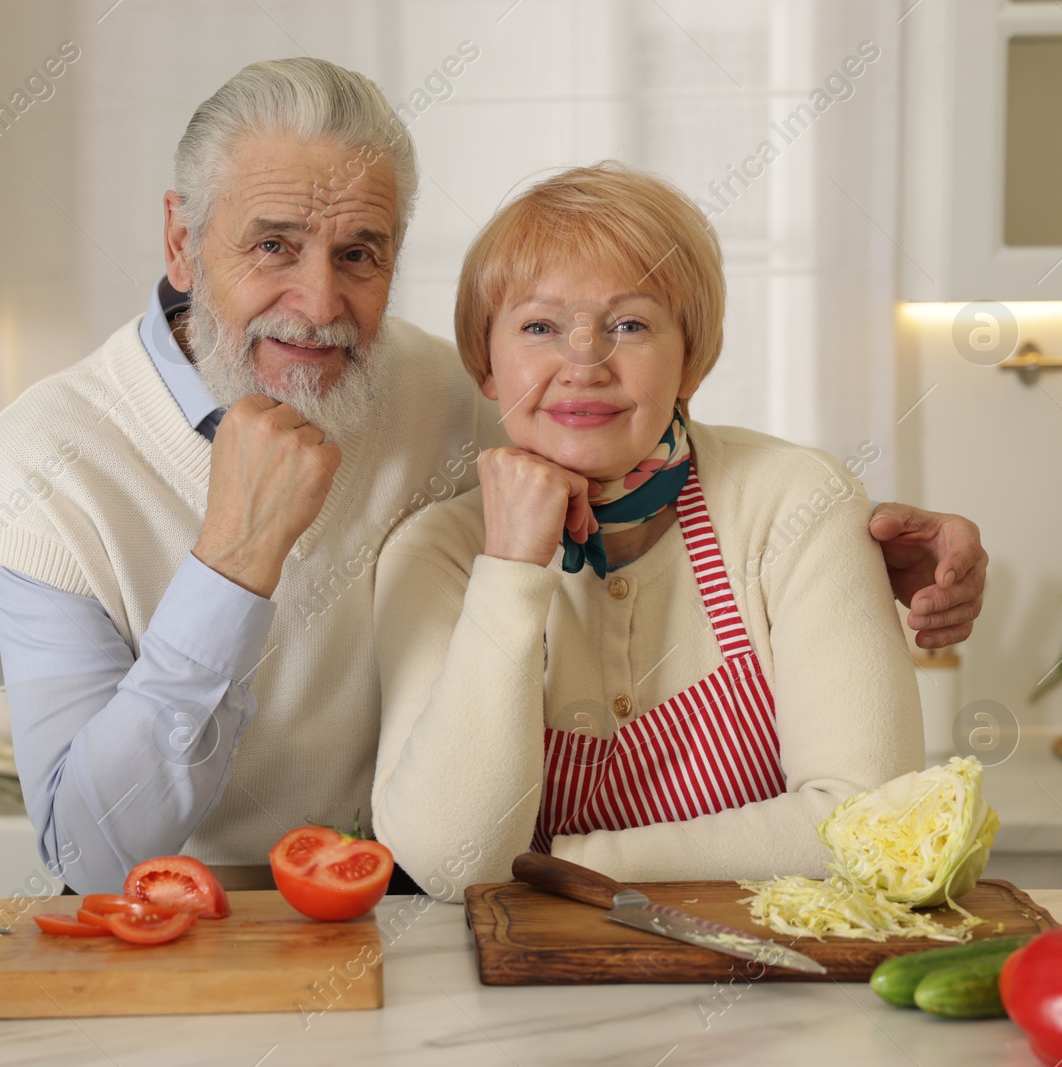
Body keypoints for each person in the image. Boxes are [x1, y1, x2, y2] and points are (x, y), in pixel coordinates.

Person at [0, 58, 986, 895]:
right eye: (273, 244)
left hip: (395, 906)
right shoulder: (44, 460)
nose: (317, 300)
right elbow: (87, 851)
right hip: (187, 914)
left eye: (359, 253)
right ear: (182, 241)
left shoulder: (431, 386)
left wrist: (845, 546)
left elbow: (614, 426)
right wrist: (233, 559)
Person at [372, 164, 926, 899]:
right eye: (539, 326)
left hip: (771, 989)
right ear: (488, 367)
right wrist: (510, 568)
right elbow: (451, 862)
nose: (584, 363)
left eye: (628, 324)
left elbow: (866, 818)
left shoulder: (795, 501)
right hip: (519, 998)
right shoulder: (436, 553)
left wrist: (571, 865)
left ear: (691, 357)